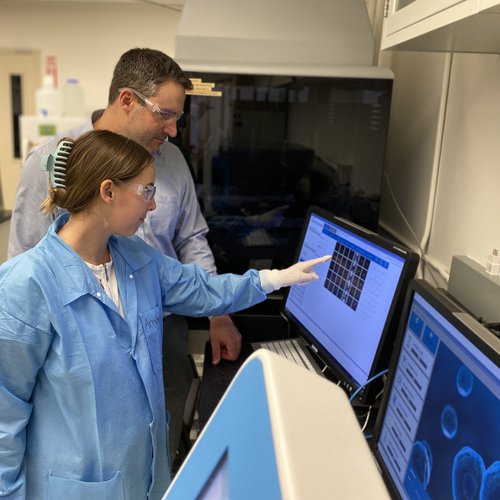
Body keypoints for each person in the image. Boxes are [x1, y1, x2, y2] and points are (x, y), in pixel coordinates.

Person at [0, 130, 328, 499]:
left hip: (146, 478)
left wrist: (276, 278)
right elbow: (4, 413)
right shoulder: (25, 284)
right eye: (147, 191)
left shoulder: (135, 258)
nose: (152, 206)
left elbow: (201, 289)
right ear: (108, 191)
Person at [8, 48, 244, 462]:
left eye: (178, 118)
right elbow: (24, 263)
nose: (173, 130)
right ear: (127, 100)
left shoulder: (171, 161)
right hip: (76, 338)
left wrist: (218, 314)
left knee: (162, 442)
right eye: (165, 114)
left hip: (161, 326)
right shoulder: (52, 161)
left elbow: (191, 238)